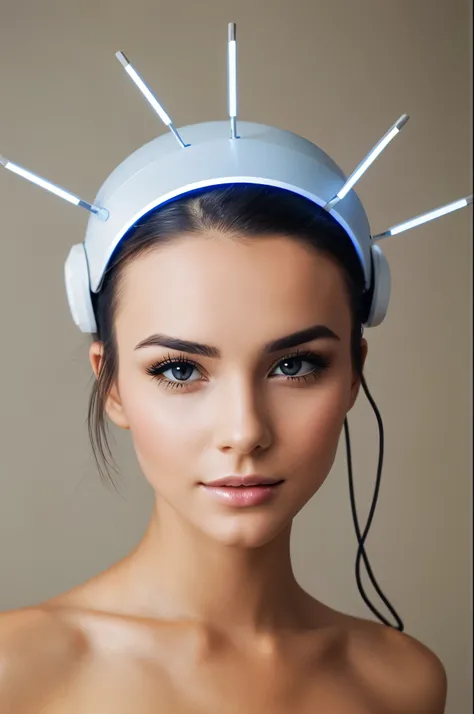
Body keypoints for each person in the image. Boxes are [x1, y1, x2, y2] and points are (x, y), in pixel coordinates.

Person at [0, 184, 447, 712]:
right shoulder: (15, 669)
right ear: (112, 386)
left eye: (295, 365)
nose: (244, 430)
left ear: (354, 375)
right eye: (180, 369)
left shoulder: (403, 683)